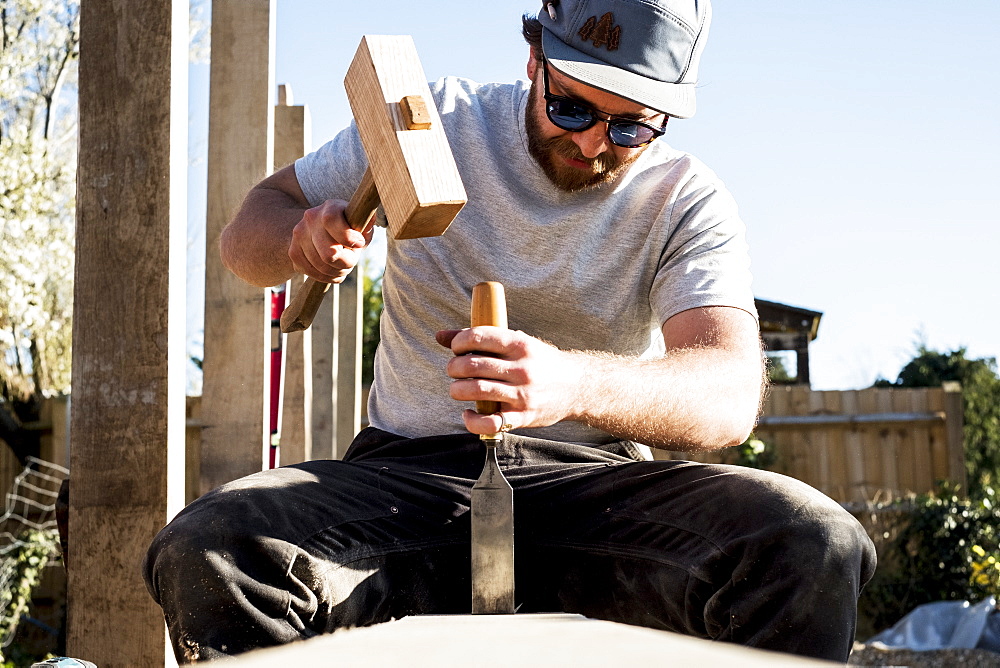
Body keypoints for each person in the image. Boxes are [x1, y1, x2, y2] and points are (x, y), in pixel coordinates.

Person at [144, 0, 876, 663]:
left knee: (808, 543)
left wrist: (570, 383)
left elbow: (724, 393)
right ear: (535, 60)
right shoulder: (431, 125)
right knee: (215, 547)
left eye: (631, 126)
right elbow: (247, 235)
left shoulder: (686, 200)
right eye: (571, 108)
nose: (593, 144)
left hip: (597, 494)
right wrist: (296, 237)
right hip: (404, 482)